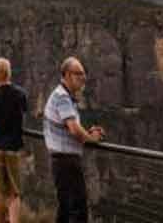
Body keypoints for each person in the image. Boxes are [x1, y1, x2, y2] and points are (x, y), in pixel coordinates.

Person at [43, 57, 104, 223]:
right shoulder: (62, 96)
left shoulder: (63, 95)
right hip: (66, 162)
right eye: (79, 74)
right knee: (78, 210)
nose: (84, 78)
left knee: (65, 209)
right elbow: (74, 129)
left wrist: (88, 133)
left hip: (61, 161)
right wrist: (91, 138)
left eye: (84, 74)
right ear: (68, 75)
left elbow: (72, 127)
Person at [0, 58, 28, 223]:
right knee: (14, 193)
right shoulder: (20, 94)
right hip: (13, 148)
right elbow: (23, 116)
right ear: (9, 73)